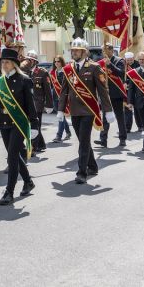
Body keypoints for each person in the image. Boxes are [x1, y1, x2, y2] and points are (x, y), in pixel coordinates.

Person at [57, 38, 113, 183]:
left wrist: (108, 110)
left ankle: (82, 172)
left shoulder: (94, 67)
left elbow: (103, 91)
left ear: (84, 52)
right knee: (83, 140)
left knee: (83, 142)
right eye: (73, 50)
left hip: (88, 110)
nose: (74, 52)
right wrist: (60, 109)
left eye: (77, 50)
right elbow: (64, 91)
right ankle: (93, 166)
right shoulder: (68, 69)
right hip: (75, 111)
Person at [0, 47, 39, 205]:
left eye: (7, 62)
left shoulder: (24, 80)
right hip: (4, 123)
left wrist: (34, 124)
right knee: (14, 155)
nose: (4, 65)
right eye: (3, 62)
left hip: (19, 123)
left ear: (14, 64)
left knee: (11, 156)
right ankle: (28, 182)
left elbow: (30, 104)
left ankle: (9, 191)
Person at [21, 49, 54, 155]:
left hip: (37, 104)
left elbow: (48, 90)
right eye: (27, 59)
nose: (28, 61)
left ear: (35, 61)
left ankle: (33, 148)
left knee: (35, 125)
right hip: (26, 103)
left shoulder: (42, 72)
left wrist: (49, 105)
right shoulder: (23, 71)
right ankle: (41, 144)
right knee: (33, 126)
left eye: (31, 60)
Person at [97, 43, 129, 147]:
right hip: (105, 94)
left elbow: (121, 73)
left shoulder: (119, 61)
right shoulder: (100, 62)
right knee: (105, 117)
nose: (103, 53)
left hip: (116, 93)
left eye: (105, 50)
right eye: (102, 51)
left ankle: (122, 138)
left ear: (111, 50)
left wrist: (110, 64)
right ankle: (103, 139)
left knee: (120, 117)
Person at [49, 55, 72, 142]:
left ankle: (58, 136)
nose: (56, 63)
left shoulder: (66, 71)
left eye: (58, 61)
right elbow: (51, 86)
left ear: (62, 62)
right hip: (55, 96)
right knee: (61, 116)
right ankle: (68, 132)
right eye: (55, 61)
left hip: (64, 97)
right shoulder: (52, 73)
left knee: (61, 116)